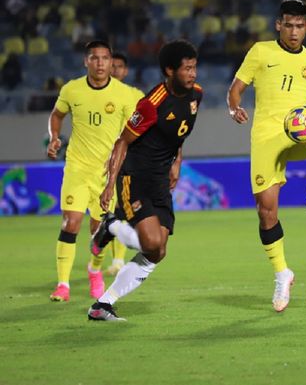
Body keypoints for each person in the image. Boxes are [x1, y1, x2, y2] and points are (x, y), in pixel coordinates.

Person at [227, 0, 306, 313]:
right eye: (288, 25)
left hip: (299, 131)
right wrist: (234, 106)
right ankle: (283, 273)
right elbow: (236, 88)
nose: (294, 32)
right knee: (266, 212)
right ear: (278, 25)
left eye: (299, 26)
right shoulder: (260, 52)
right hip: (266, 137)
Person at [87, 40, 202, 321]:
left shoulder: (196, 95)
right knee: (151, 243)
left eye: (194, 67)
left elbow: (179, 135)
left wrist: (177, 162)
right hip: (134, 177)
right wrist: (109, 183)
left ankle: (103, 304)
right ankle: (111, 225)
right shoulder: (151, 104)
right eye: (187, 69)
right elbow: (122, 142)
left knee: (157, 252)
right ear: (169, 70)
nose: (193, 74)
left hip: (160, 180)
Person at [46, 41, 138, 302]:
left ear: (111, 63)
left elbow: (134, 132)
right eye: (94, 58)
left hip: (107, 174)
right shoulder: (72, 90)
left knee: (100, 232)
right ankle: (63, 285)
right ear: (86, 61)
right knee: (70, 222)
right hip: (77, 168)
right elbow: (56, 114)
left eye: (105, 59)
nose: (100, 63)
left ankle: (94, 270)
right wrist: (54, 137)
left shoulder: (124, 94)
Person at [102, 52, 145, 277]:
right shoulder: (97, 95)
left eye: (120, 66)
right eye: (113, 66)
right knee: (104, 212)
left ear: (125, 71)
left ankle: (118, 260)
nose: (116, 70)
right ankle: (99, 261)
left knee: (119, 210)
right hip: (99, 160)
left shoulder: (136, 96)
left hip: (126, 160)